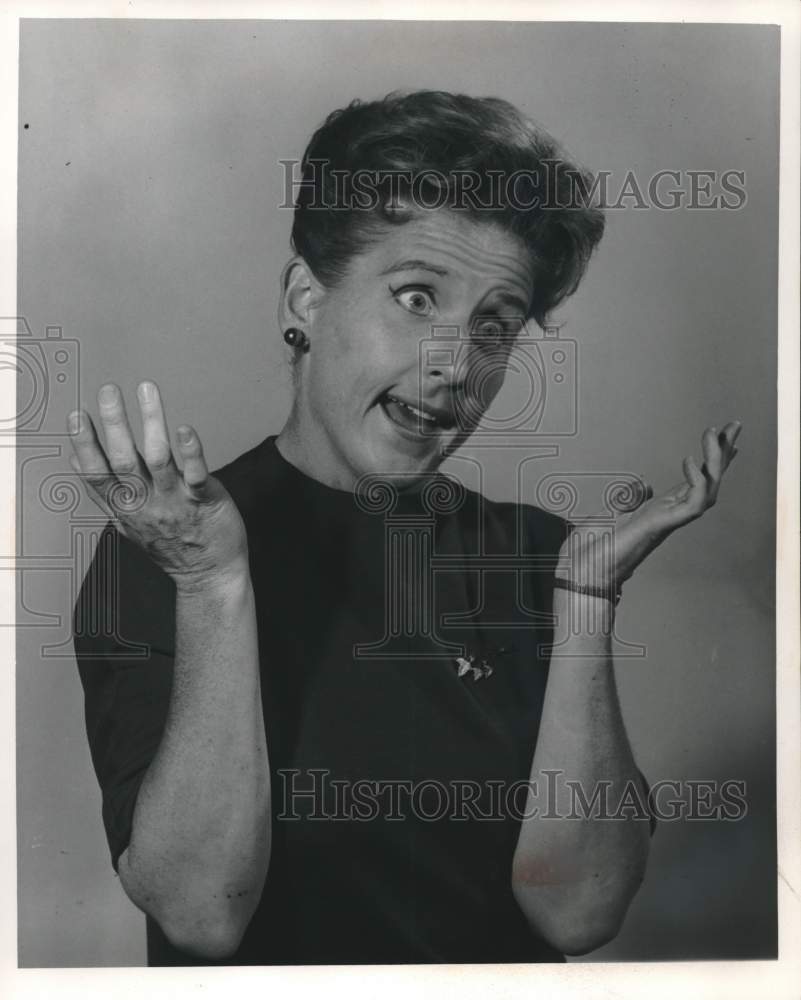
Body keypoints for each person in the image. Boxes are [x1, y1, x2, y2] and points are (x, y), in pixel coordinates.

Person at [69, 90, 741, 966]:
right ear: (306, 300)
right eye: (418, 297)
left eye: (493, 326)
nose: (455, 366)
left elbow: (577, 915)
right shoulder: (161, 552)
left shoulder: (540, 555)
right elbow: (202, 915)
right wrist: (212, 584)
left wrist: (583, 600)